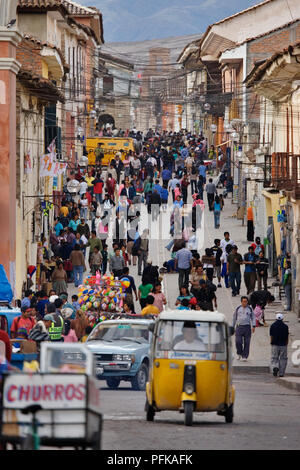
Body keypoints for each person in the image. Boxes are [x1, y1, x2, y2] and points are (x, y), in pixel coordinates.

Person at [232, 296, 256, 361]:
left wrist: (253, 326)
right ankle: (239, 353)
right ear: (241, 302)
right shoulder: (238, 309)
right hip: (239, 327)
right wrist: (232, 327)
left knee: (247, 342)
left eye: (245, 302)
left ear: (247, 302)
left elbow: (253, 317)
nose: (244, 303)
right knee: (238, 341)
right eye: (243, 301)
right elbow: (234, 318)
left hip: (247, 327)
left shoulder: (250, 309)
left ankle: (245, 356)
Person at [270, 313, 289, 377]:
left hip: (275, 344)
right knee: (283, 358)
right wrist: (286, 343)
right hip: (283, 345)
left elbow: (271, 336)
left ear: (275, 318)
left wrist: (271, 342)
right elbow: (287, 336)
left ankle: (275, 367)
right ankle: (281, 373)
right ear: (282, 319)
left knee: (274, 358)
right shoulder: (285, 326)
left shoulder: (272, 325)